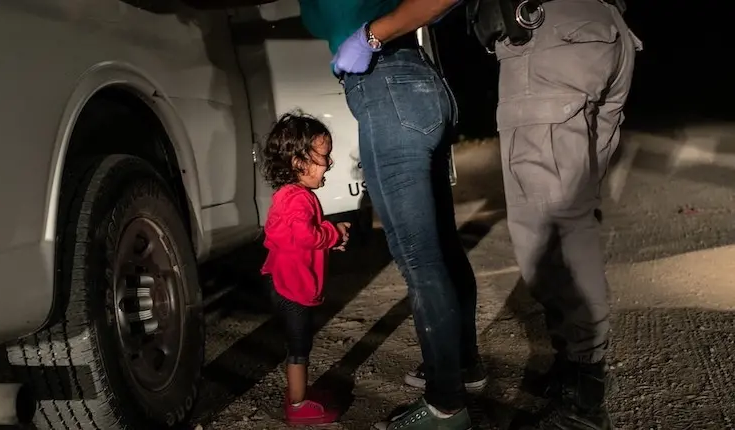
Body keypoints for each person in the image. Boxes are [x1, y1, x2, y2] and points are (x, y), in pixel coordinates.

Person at [331, 0, 642, 428]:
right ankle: (576, 372)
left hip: (550, 37)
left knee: (548, 228)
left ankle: (581, 405)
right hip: (602, 30)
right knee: (573, 218)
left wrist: (372, 35)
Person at [299, 0, 487, 428]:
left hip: (387, 88)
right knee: (440, 246)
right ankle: (462, 366)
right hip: (418, 85)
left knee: (419, 257)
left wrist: (370, 36)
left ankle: (445, 405)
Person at [260, 112, 351, 425]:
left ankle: (298, 393)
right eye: (323, 157)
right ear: (298, 162)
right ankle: (297, 405)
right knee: (299, 347)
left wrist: (329, 239)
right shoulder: (297, 199)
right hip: (291, 287)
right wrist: (333, 233)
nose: (328, 163)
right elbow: (304, 235)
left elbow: (295, 237)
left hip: (283, 281)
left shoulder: (289, 196)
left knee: (297, 344)